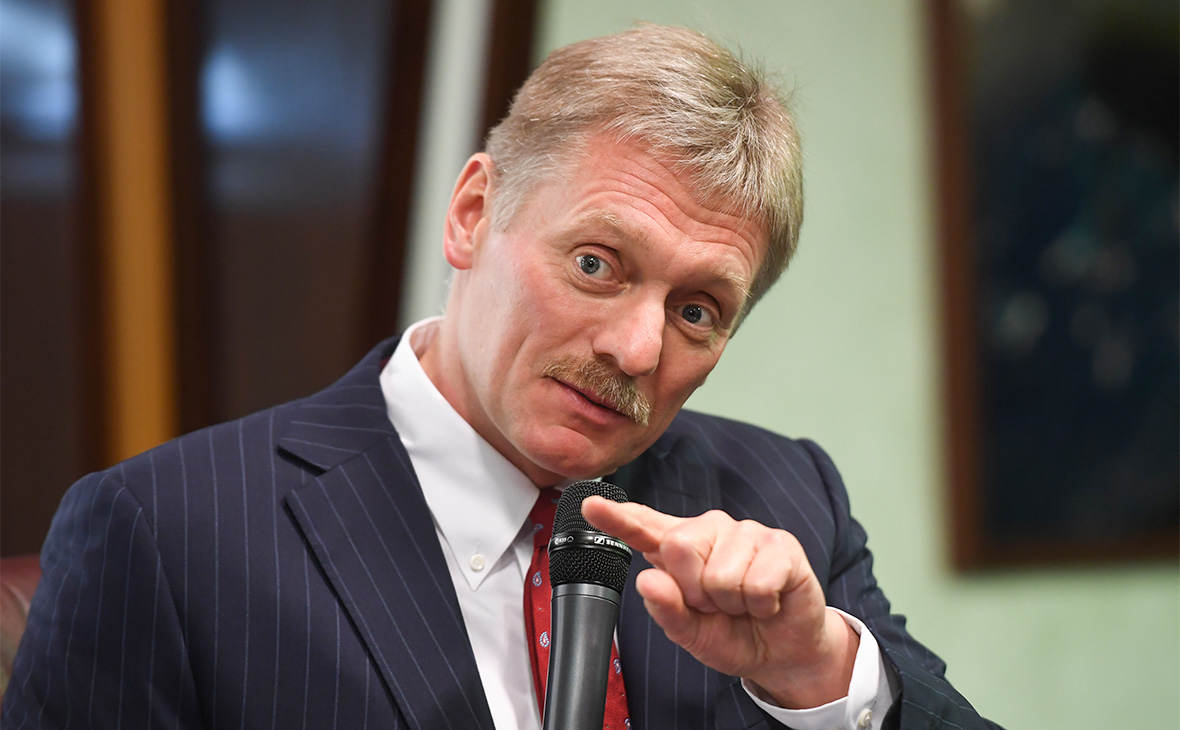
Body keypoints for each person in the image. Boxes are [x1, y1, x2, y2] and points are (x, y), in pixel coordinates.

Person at [3, 25, 1000, 730]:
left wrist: (819, 673)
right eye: (597, 264)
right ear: (473, 214)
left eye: (696, 311)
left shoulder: (784, 498)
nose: (636, 350)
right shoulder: (165, 536)